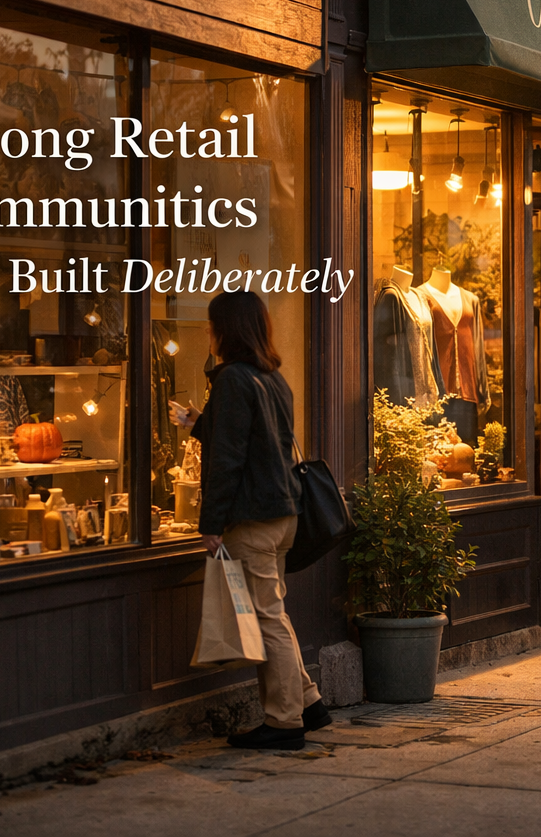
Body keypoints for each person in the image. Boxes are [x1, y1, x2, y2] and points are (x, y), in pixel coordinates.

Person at [171, 292, 327, 750]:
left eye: (211, 325)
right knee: (273, 613)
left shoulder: (233, 380)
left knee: (266, 619)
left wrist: (210, 523)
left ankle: (284, 723)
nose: (207, 333)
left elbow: (228, 459)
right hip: (283, 514)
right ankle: (308, 702)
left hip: (253, 518)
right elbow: (256, 440)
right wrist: (199, 421)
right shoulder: (273, 378)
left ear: (227, 331)